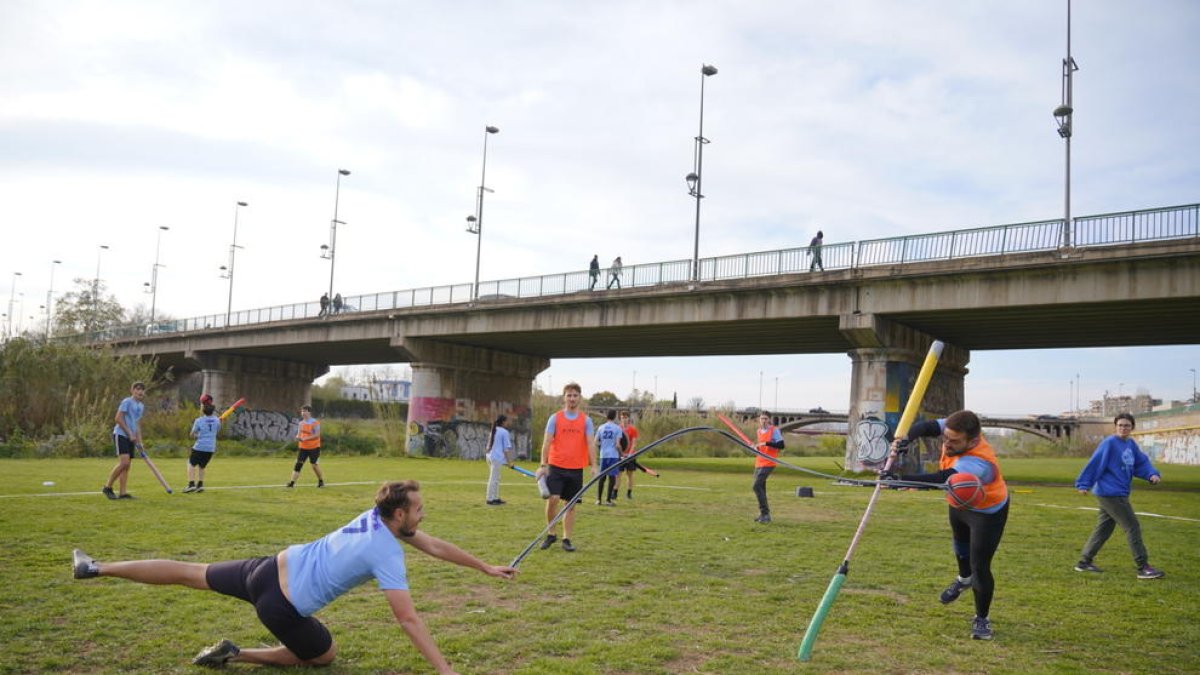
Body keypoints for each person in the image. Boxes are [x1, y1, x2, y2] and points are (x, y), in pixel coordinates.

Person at [72, 480, 518, 671]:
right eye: (419, 509)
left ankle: (96, 566)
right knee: (323, 656)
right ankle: (239, 654)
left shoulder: (375, 518)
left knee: (190, 572)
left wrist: (483, 566)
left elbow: (434, 545)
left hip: (264, 569)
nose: (424, 514)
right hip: (280, 607)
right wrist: (444, 669)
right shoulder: (388, 552)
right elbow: (407, 620)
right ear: (400, 513)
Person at [885, 410, 1009, 641]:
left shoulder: (979, 462)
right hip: (959, 502)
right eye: (946, 438)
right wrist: (906, 441)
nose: (946, 444)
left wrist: (898, 480)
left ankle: (982, 619)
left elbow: (943, 479)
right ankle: (963, 580)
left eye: (953, 441)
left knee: (979, 565)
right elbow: (924, 428)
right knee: (960, 552)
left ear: (972, 441)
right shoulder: (956, 427)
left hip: (986, 512)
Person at [1073, 413, 1164, 579]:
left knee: (1103, 529)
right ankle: (1143, 567)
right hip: (1111, 493)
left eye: (1127, 425)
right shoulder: (1109, 443)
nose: (1123, 428)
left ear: (1132, 428)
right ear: (1115, 427)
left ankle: (1084, 562)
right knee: (1132, 527)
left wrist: (1151, 474)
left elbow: (1140, 463)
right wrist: (1084, 483)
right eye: (1120, 425)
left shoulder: (1130, 444)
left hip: (1118, 492)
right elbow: (1095, 462)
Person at [535, 383, 597, 552]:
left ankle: (566, 539)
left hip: (576, 468)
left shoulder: (586, 420)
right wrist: (543, 464)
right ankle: (551, 533)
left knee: (570, 505)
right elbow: (547, 442)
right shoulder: (555, 418)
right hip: (556, 466)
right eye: (569, 395)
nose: (572, 398)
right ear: (564, 397)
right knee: (553, 499)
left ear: (580, 398)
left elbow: (591, 443)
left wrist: (594, 465)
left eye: (575, 395)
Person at [102, 381, 146, 500]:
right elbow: (118, 418)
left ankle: (123, 493)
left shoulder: (141, 406)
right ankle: (107, 487)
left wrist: (139, 441)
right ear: (132, 390)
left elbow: (137, 424)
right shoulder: (127, 402)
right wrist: (129, 433)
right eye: (137, 389)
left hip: (131, 437)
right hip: (121, 434)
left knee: (127, 466)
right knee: (124, 463)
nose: (140, 391)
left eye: (142, 389)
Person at [751, 411, 784, 523]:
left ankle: (765, 514)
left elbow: (781, 445)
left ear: (769, 420)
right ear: (759, 420)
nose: (763, 420)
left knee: (756, 486)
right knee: (761, 488)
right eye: (761, 418)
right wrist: (756, 448)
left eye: (765, 418)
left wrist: (767, 443)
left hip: (769, 463)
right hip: (759, 462)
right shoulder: (759, 431)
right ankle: (763, 515)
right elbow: (761, 447)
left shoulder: (774, 430)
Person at [184, 403, 221, 493]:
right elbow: (217, 430)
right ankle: (200, 485)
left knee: (191, 464)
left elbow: (192, 434)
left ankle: (191, 484)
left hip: (200, 446)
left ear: (203, 411)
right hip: (210, 448)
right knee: (202, 466)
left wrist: (198, 435)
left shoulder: (199, 420)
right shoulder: (217, 420)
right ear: (212, 411)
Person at [287, 406, 327, 488]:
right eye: (302, 411)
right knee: (298, 464)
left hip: (314, 447)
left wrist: (306, 438)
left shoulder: (315, 423)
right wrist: (297, 437)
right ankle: (292, 483)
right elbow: (299, 433)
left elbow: (317, 435)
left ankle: (321, 481)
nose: (303, 413)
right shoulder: (301, 423)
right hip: (303, 448)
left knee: (314, 465)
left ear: (309, 412)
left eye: (304, 411)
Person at [594, 410, 623, 506]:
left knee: (602, 477)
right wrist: (621, 454)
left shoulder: (601, 427)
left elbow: (595, 442)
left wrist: (602, 446)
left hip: (603, 455)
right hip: (613, 456)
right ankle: (608, 500)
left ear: (607, 417)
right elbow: (618, 445)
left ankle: (598, 500)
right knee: (612, 478)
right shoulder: (617, 428)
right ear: (615, 417)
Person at [485, 415, 514, 505]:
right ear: (503, 422)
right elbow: (506, 449)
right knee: (494, 478)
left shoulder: (494, 430)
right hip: (496, 458)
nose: (507, 423)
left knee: (496, 478)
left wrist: (506, 462)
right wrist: (509, 462)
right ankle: (490, 499)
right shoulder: (504, 432)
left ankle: (495, 497)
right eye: (506, 421)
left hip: (490, 457)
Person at [616, 410, 641, 499]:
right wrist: (621, 454)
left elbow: (634, 443)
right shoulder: (617, 428)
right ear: (620, 418)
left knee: (629, 475)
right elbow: (617, 443)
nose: (624, 419)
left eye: (626, 417)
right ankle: (614, 493)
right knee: (618, 474)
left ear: (628, 418)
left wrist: (629, 454)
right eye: (622, 418)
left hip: (630, 456)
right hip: (620, 456)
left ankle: (629, 493)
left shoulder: (633, 429)